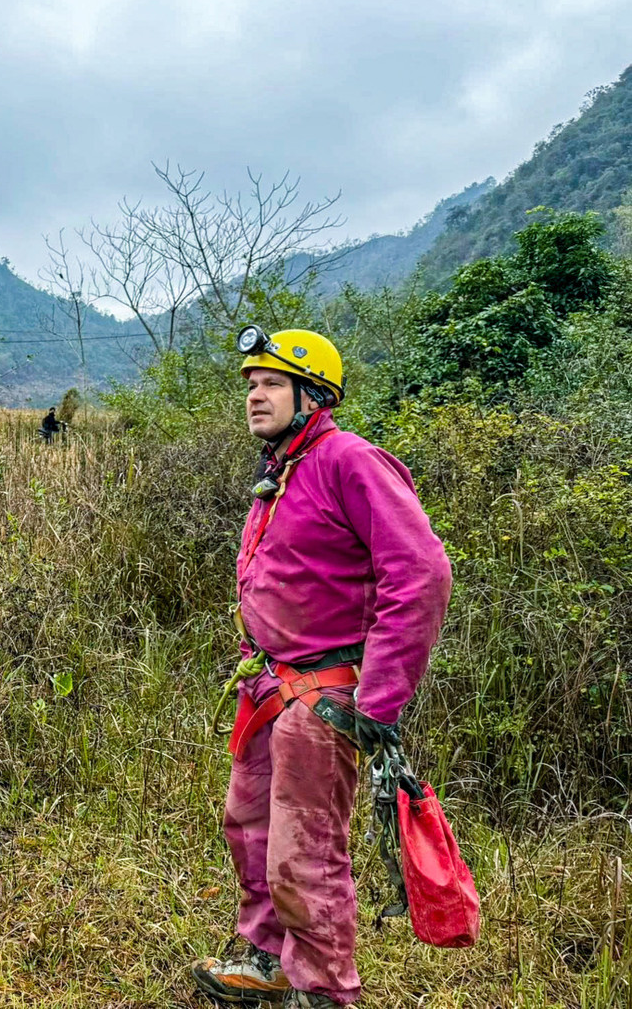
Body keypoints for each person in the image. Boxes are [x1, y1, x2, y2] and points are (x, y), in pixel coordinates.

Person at [191, 326, 452, 1008]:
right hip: (270, 686)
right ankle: (266, 958)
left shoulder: (349, 460)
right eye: (251, 384)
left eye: (272, 383)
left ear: (314, 395)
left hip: (325, 693)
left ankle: (325, 990)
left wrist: (382, 696)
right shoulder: (281, 470)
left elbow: (422, 572)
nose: (255, 395)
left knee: (306, 851)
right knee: (248, 827)